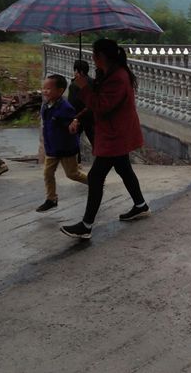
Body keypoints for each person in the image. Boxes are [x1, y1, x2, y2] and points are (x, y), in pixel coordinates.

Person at [60, 39, 149, 239]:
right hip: (115, 131)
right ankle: (141, 205)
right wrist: (80, 112)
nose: (92, 58)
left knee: (95, 176)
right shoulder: (110, 74)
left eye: (94, 54)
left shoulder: (118, 78)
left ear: (101, 56)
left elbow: (102, 106)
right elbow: (98, 101)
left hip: (115, 134)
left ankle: (86, 225)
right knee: (124, 168)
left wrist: (84, 88)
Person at [36, 74, 88, 212]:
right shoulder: (45, 105)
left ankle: (95, 183)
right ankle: (51, 199)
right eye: (44, 88)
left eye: (48, 88)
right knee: (48, 173)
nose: (45, 91)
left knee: (72, 174)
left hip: (66, 148)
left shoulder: (66, 108)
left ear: (60, 91)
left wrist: (72, 126)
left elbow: (72, 126)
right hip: (52, 148)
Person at [67, 59, 95, 148]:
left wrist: (73, 118)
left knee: (73, 143)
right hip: (92, 117)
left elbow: (72, 104)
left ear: (80, 72)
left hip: (79, 117)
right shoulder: (93, 82)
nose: (74, 73)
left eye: (75, 70)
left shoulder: (76, 84)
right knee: (95, 142)